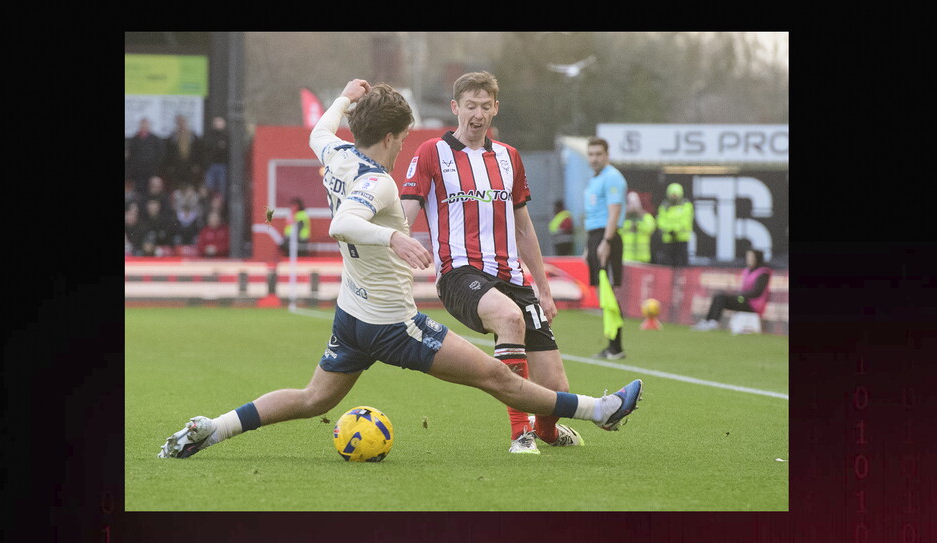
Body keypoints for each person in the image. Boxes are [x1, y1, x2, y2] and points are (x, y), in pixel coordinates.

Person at [157, 79, 643, 460]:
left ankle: (213, 428)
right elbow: (344, 222)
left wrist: (345, 98)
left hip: (351, 317)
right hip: (394, 326)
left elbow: (318, 131)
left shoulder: (336, 154)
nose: (405, 147)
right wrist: (392, 235)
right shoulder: (379, 183)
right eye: (404, 138)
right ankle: (600, 410)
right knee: (498, 376)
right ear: (390, 137)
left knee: (312, 400)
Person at [401, 71, 581, 455]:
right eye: (470, 106)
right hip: (459, 274)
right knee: (509, 318)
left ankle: (548, 431)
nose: (478, 114)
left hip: (512, 278)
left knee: (557, 388)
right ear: (456, 108)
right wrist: (393, 239)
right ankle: (521, 434)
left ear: (495, 108)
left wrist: (544, 291)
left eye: (485, 106)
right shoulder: (432, 152)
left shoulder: (509, 157)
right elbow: (406, 211)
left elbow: (524, 230)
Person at [582, 137, 628, 360]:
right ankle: (611, 344)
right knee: (603, 294)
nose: (594, 158)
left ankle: (616, 346)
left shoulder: (612, 178)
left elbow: (614, 213)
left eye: (599, 154)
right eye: (591, 154)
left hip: (606, 237)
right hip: (595, 237)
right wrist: (587, 246)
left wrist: (606, 242)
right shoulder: (595, 179)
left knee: (610, 293)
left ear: (607, 155)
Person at [692, 249, 772, 331]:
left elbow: (757, 292)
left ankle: (713, 322)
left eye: (751, 257)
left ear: (757, 258)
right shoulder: (747, 271)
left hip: (752, 304)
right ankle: (707, 321)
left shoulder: (763, 272)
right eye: (748, 257)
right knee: (718, 296)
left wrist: (740, 295)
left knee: (723, 298)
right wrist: (738, 295)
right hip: (742, 299)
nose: (749, 259)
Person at [656, 183, 694, 267]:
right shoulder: (664, 206)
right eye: (672, 195)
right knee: (668, 264)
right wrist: (669, 231)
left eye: (676, 195)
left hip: (681, 239)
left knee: (681, 263)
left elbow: (686, 220)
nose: (674, 197)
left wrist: (676, 230)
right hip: (668, 240)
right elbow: (661, 221)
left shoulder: (686, 205)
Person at [161, 114, 203, 191]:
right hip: (176, 169)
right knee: (176, 189)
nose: (181, 125)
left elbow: (199, 152)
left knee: (191, 188)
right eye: (179, 123)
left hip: (190, 168)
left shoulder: (193, 137)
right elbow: (168, 154)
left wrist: (197, 165)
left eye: (183, 123)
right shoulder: (172, 138)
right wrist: (170, 167)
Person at [125, 117, 164, 197]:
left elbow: (160, 154)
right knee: (139, 191)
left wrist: (155, 165)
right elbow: (130, 156)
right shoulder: (134, 139)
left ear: (149, 126)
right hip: (138, 172)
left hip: (151, 170)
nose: (144, 127)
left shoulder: (155, 139)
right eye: (142, 125)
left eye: (146, 125)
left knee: (151, 190)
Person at [619, 191, 656, 263]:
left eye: (635, 203)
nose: (633, 206)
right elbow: (618, 229)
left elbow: (651, 228)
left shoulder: (645, 216)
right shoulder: (622, 217)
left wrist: (638, 226)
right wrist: (629, 225)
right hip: (626, 257)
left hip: (643, 258)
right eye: (631, 203)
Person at [201, 116, 229, 198]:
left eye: (220, 123)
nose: (218, 125)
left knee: (222, 189)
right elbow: (207, 148)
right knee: (209, 188)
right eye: (216, 122)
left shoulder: (226, 136)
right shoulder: (209, 136)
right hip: (210, 165)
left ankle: (220, 208)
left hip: (222, 165)